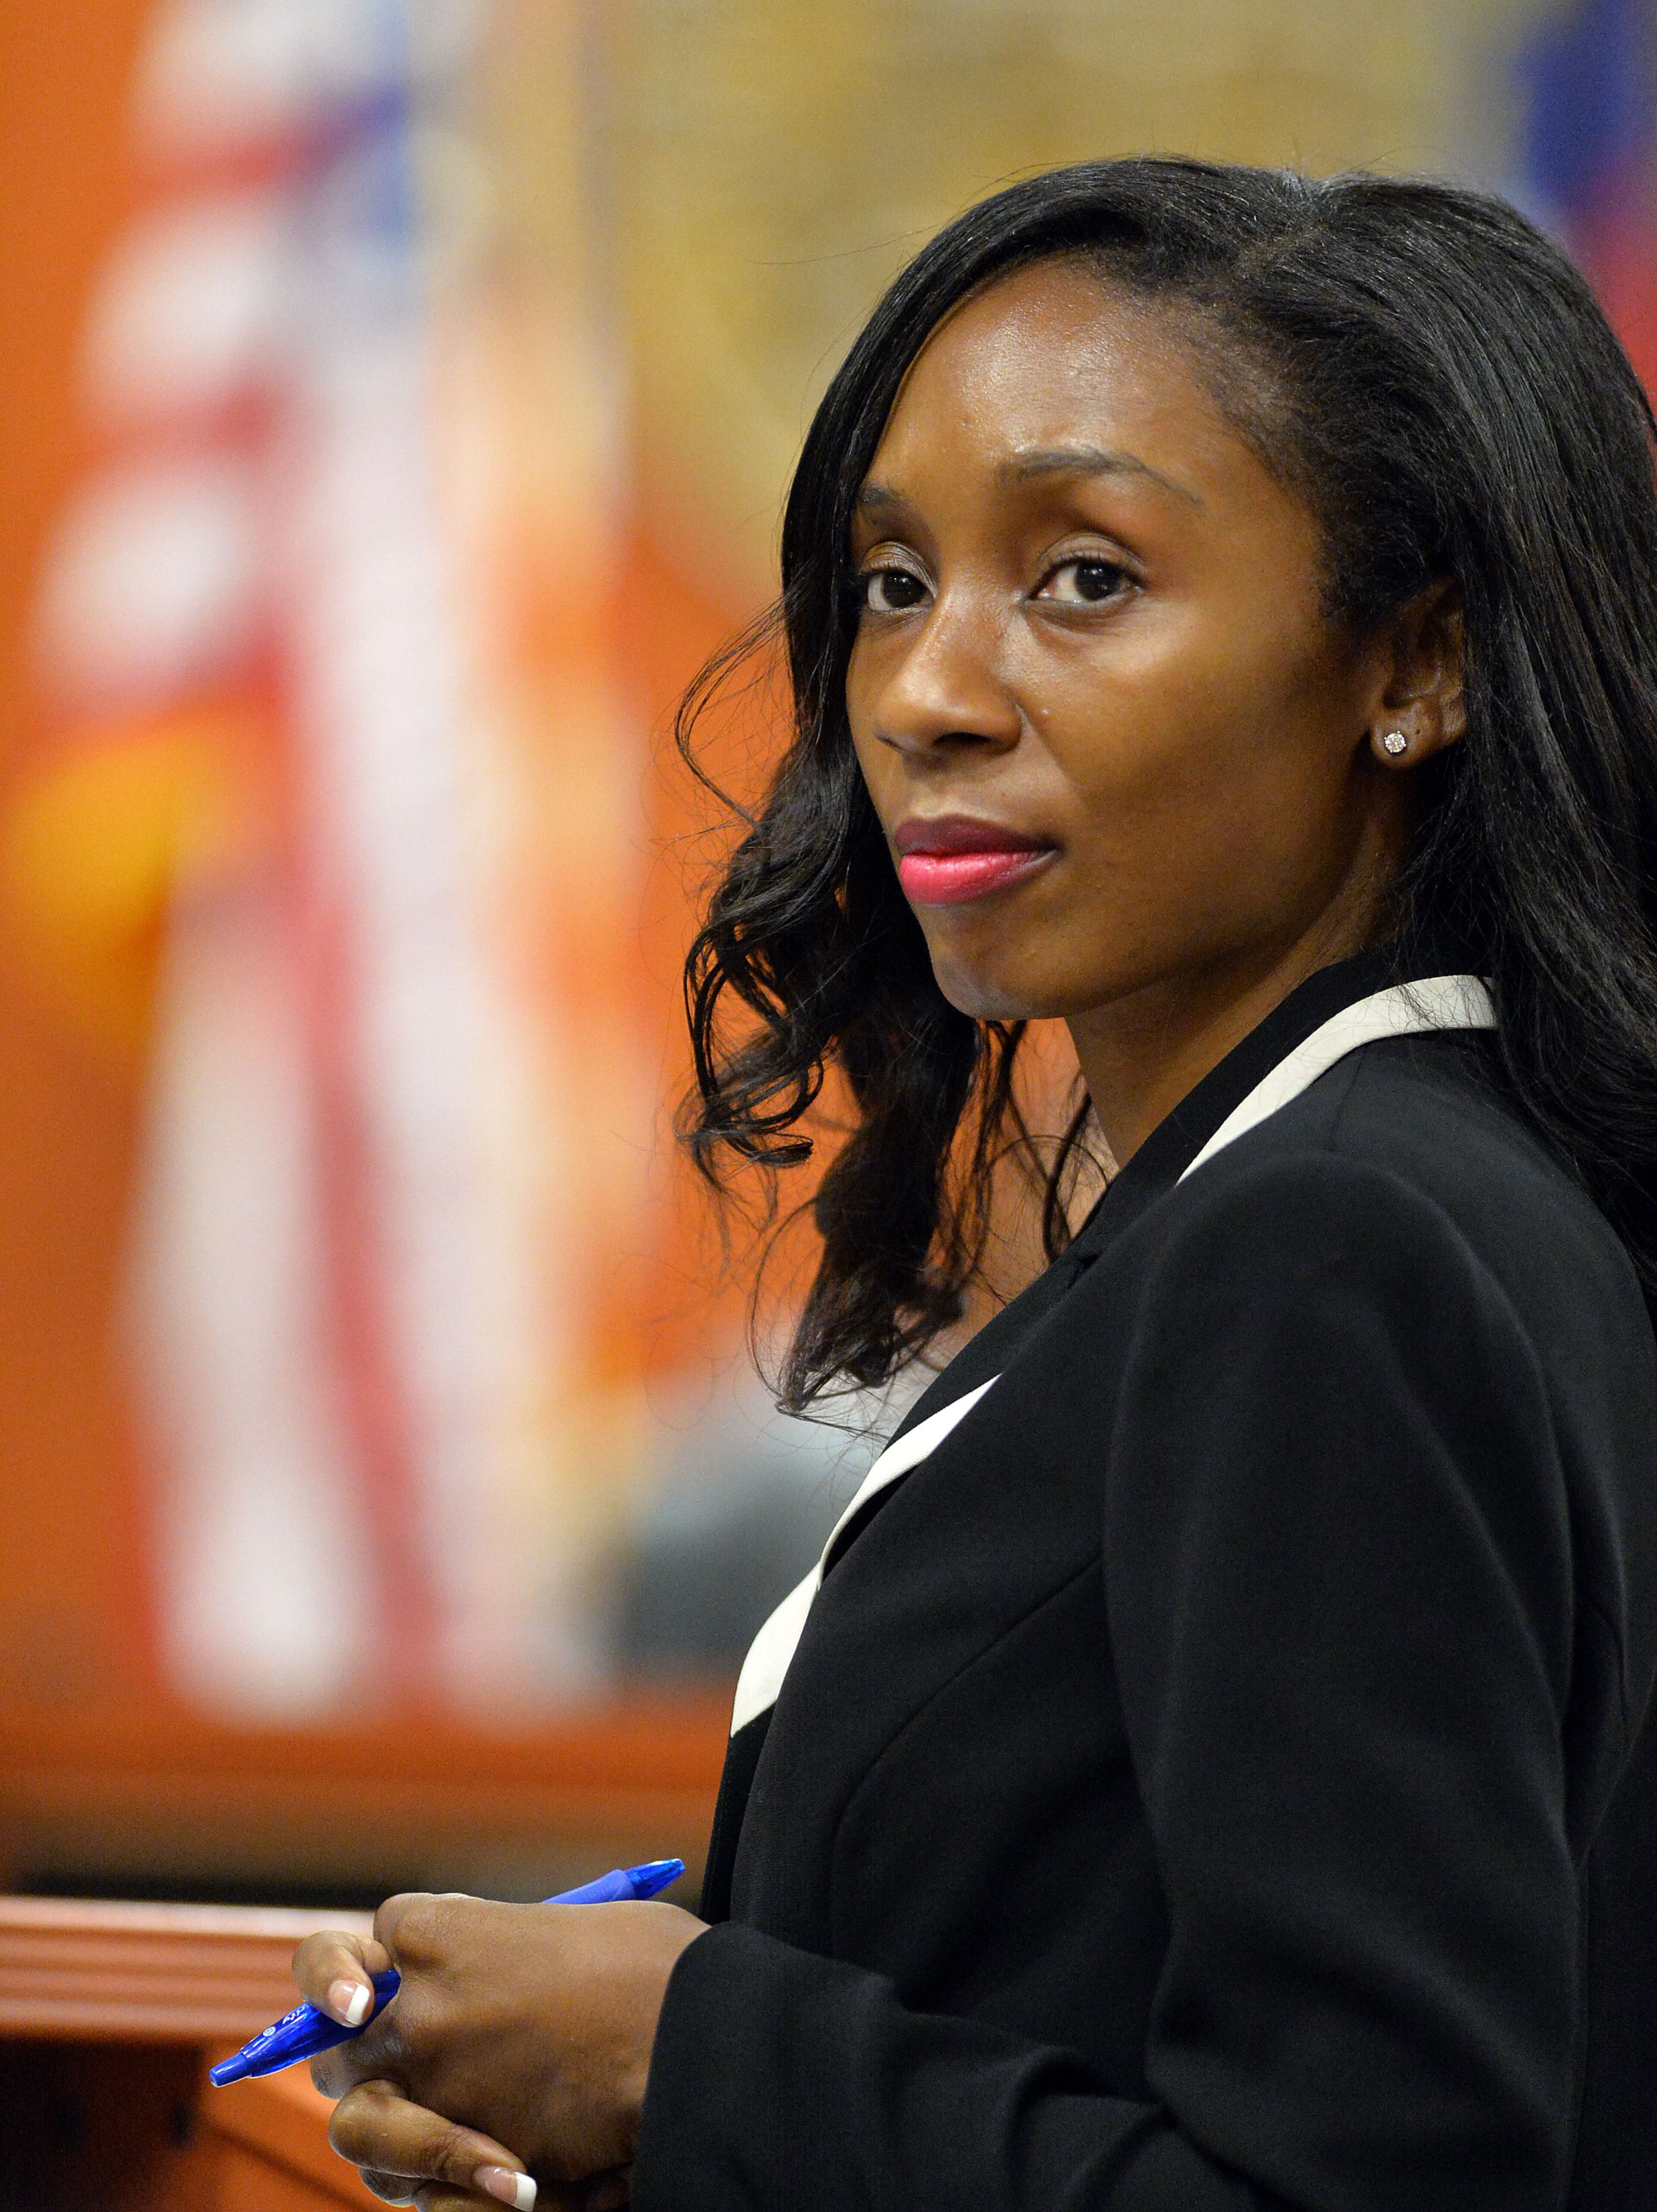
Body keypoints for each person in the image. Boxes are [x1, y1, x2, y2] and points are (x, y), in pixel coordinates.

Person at [290, 158, 1657, 2211]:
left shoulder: (1338, 1245)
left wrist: (690, 2055)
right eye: (896, 581)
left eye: (1087, 576)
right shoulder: (1406, 1189)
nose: (926, 690)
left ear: (1415, 667)